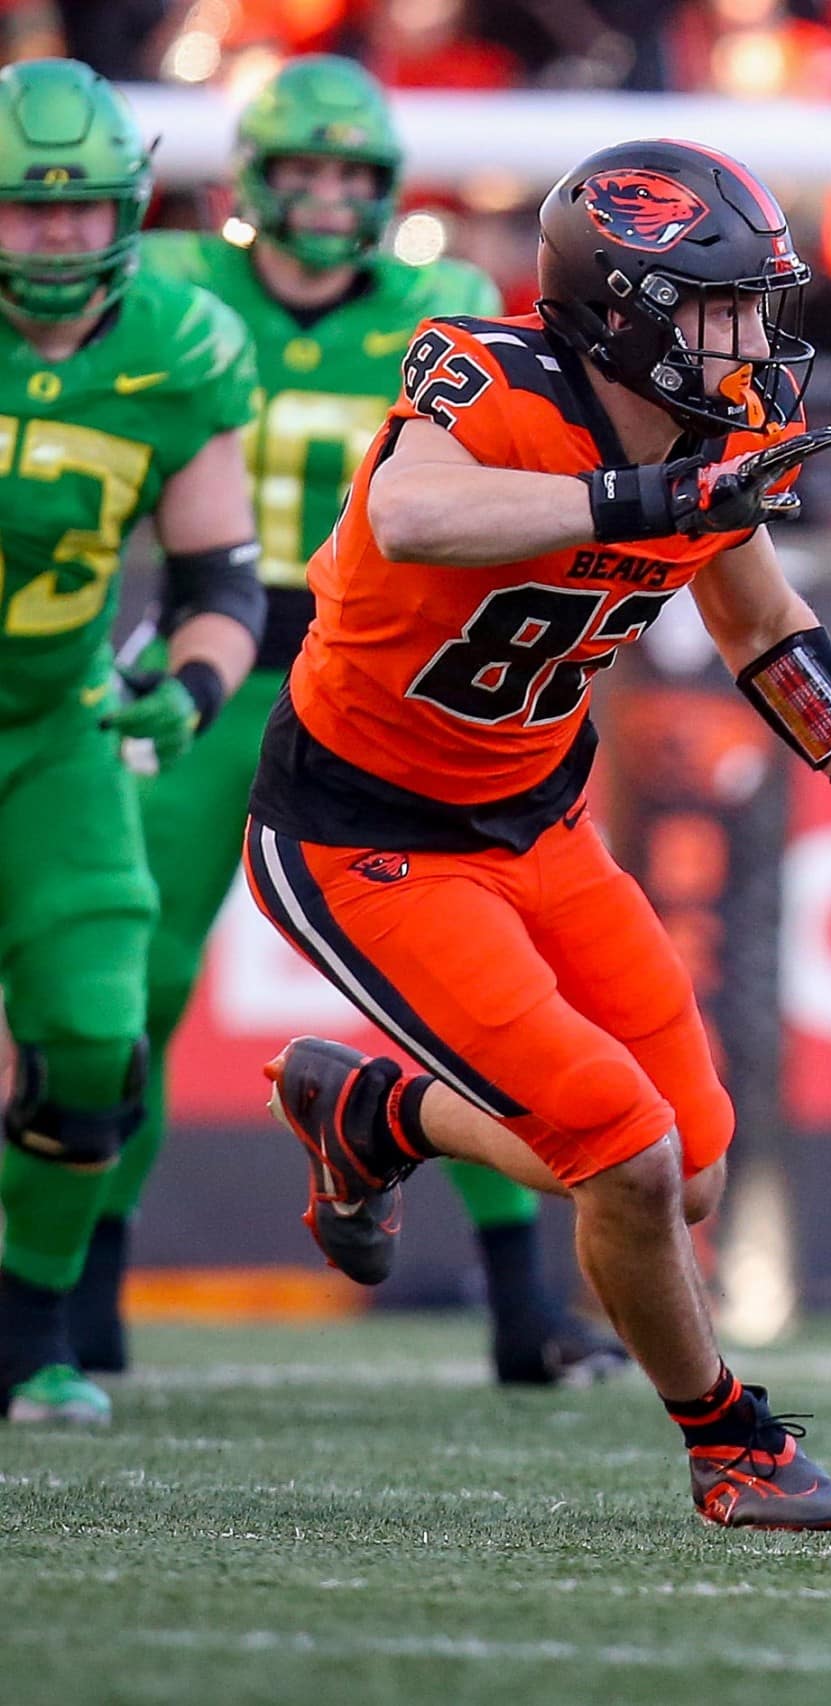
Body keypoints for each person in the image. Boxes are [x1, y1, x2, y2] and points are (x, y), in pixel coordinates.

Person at [244, 138, 831, 1527]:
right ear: (621, 311)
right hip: (365, 834)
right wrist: (641, 501)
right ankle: (730, 1440)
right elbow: (412, 511)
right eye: (721, 308)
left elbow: (764, 629)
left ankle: (379, 1113)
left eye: (755, 307)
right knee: (622, 1150)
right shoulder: (494, 378)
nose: (751, 342)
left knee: (687, 1163)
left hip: (540, 816)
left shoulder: (710, 434)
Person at [67, 54, 624, 1389]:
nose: (324, 197)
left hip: (376, 683)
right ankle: (77, 1298)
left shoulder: (437, 305)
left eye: (349, 174)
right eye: (301, 170)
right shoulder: (174, 292)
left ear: (386, 190)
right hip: (213, 661)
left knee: (478, 998)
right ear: (252, 181)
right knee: (135, 985)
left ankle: (524, 1307)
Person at [0, 61, 265, 1424]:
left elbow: (223, 580)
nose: (57, 233)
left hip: (56, 732)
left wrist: (194, 690)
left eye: (82, 205)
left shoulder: (178, 345)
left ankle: (29, 1333)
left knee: (97, 1033)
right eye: (26, 206)